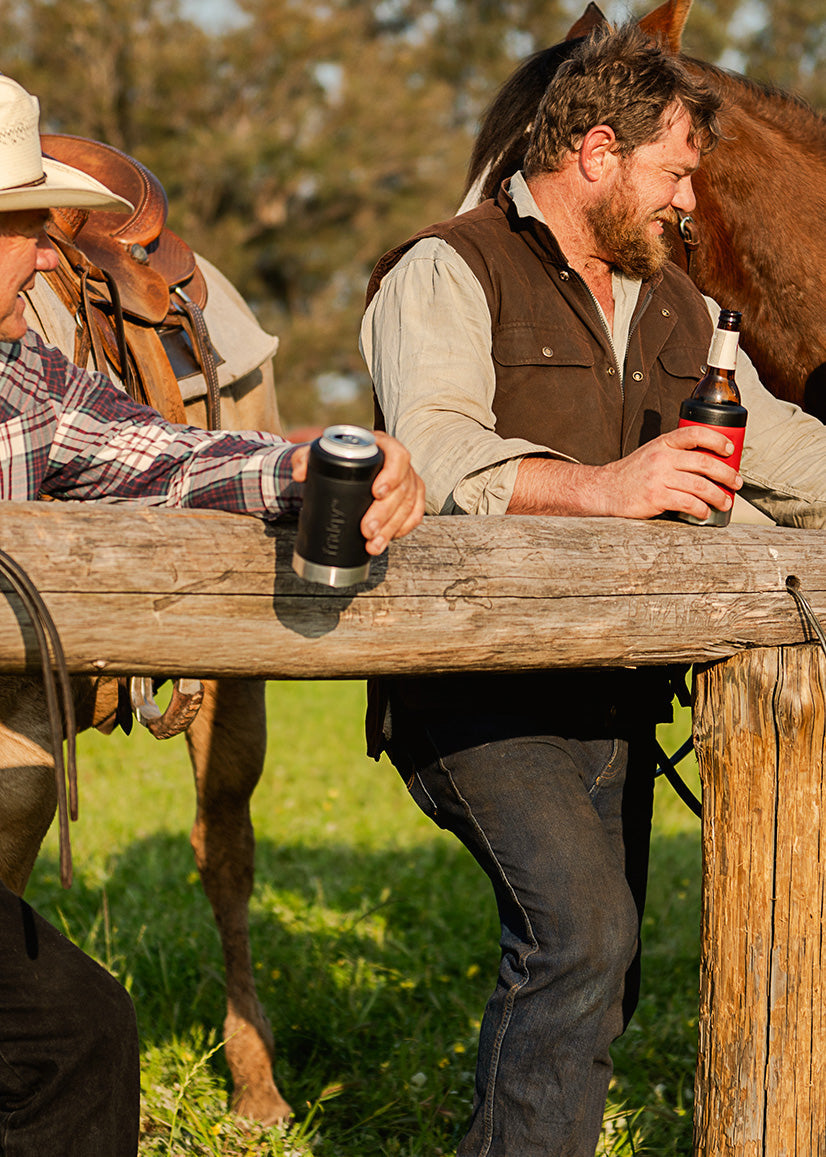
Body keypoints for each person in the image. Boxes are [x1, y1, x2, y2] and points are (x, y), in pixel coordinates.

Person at [360, 22, 826, 1157]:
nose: (687, 202)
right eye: (673, 173)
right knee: (582, 936)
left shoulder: (673, 305)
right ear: (598, 153)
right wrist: (609, 488)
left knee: (603, 975)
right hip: (472, 686)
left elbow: (781, 450)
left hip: (613, 697)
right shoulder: (447, 269)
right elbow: (438, 454)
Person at [0, 75, 424, 1156]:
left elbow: (162, 454)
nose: (48, 256)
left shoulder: (23, 378)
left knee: (86, 1030)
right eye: (23, 229)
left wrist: (310, 461)